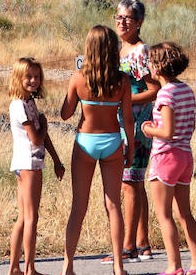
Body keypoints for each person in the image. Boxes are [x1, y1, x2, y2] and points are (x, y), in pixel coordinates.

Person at [60, 26, 135, 275]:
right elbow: (127, 119)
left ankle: (68, 266)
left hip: (86, 141)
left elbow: (65, 114)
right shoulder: (122, 79)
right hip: (112, 140)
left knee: (78, 206)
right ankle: (118, 265)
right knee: (113, 205)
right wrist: (131, 148)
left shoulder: (78, 78)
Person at [140, 43, 196, 275]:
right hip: (185, 155)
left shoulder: (165, 94)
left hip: (166, 155)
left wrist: (149, 129)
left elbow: (166, 131)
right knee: (184, 213)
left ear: (158, 66)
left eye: (150, 62)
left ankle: (174, 266)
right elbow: (190, 124)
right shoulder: (186, 90)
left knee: (164, 214)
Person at [8, 57, 65, 275]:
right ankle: (29, 268)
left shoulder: (29, 102)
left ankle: (15, 268)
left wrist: (57, 160)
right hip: (28, 163)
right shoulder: (19, 105)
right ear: (18, 79)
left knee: (24, 217)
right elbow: (37, 138)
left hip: (28, 162)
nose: (33, 80)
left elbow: (43, 137)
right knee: (31, 217)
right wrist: (45, 124)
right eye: (28, 77)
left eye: (37, 76)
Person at [115, 0, 160, 263]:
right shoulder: (119, 51)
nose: (121, 22)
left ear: (139, 22)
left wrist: (126, 101)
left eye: (128, 18)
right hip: (120, 123)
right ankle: (143, 244)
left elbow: (153, 89)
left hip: (137, 124)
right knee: (135, 183)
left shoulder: (140, 51)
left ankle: (128, 246)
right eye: (118, 17)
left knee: (129, 182)